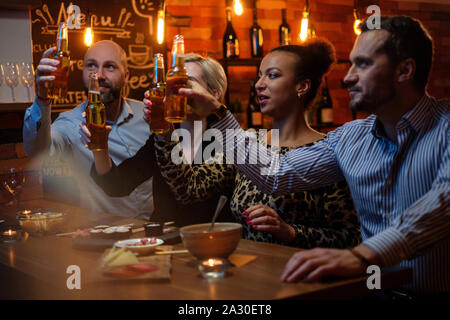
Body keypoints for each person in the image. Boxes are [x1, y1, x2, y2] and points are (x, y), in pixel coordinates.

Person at [181, 16, 449, 295]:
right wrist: (218, 112)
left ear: (404, 70)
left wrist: (362, 254)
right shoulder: (350, 137)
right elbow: (276, 173)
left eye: (364, 64)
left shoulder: (446, 126)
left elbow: (443, 203)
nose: (347, 77)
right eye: (351, 63)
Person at [146, 46, 360, 248]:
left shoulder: (325, 151)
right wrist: (164, 131)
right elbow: (188, 189)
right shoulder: (248, 142)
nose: (259, 84)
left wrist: (290, 231)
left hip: (301, 276)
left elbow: (350, 238)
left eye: (273, 75)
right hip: (246, 271)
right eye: (260, 75)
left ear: (301, 86)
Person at [81, 53, 234, 226]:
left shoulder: (227, 140)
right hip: (164, 244)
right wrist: (99, 145)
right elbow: (117, 185)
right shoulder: (166, 135)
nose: (177, 90)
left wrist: (164, 133)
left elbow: (188, 191)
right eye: (173, 84)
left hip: (210, 242)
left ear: (214, 93)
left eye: (187, 82)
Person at [23, 40, 153, 218]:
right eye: (91, 66)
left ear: (126, 76)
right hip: (102, 234)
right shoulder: (70, 123)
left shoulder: (147, 115)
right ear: (82, 72)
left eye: (110, 67)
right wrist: (42, 98)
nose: (99, 75)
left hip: (153, 233)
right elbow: (37, 150)